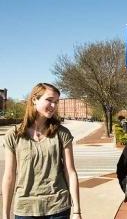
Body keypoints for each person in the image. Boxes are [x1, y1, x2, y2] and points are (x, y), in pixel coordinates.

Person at [2, 83, 82, 219]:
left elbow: (70, 172)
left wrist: (77, 211)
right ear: (34, 99)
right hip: (25, 209)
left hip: (58, 207)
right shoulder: (13, 135)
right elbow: (9, 176)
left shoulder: (62, 133)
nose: (53, 106)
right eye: (49, 100)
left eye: (56, 102)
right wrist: (5, 214)